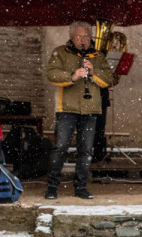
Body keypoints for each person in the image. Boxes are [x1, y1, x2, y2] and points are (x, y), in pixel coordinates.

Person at [45, 21, 113, 200]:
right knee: (61, 147)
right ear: (71, 37)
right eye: (79, 36)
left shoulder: (98, 56)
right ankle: (52, 187)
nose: (83, 40)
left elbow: (109, 79)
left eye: (86, 36)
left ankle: (81, 187)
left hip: (90, 109)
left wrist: (93, 72)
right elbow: (51, 74)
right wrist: (72, 76)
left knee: (86, 150)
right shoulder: (60, 52)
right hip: (67, 108)